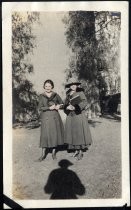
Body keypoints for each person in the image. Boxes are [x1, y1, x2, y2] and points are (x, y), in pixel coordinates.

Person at [64, 78, 92, 160]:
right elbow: (65, 103)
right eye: (71, 85)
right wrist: (67, 107)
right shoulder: (68, 93)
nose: (73, 86)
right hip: (70, 115)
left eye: (74, 84)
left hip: (78, 114)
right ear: (69, 86)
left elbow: (84, 102)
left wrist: (75, 107)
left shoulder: (80, 92)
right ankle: (76, 150)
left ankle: (80, 152)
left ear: (77, 85)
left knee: (79, 132)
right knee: (73, 133)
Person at [38, 79, 64, 161]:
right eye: (46, 86)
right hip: (45, 117)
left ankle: (53, 153)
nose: (47, 88)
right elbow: (40, 108)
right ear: (44, 87)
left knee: (54, 134)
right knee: (44, 135)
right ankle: (42, 155)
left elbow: (62, 104)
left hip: (54, 117)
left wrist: (58, 106)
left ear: (52, 86)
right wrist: (49, 108)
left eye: (49, 86)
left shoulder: (56, 95)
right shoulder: (41, 96)